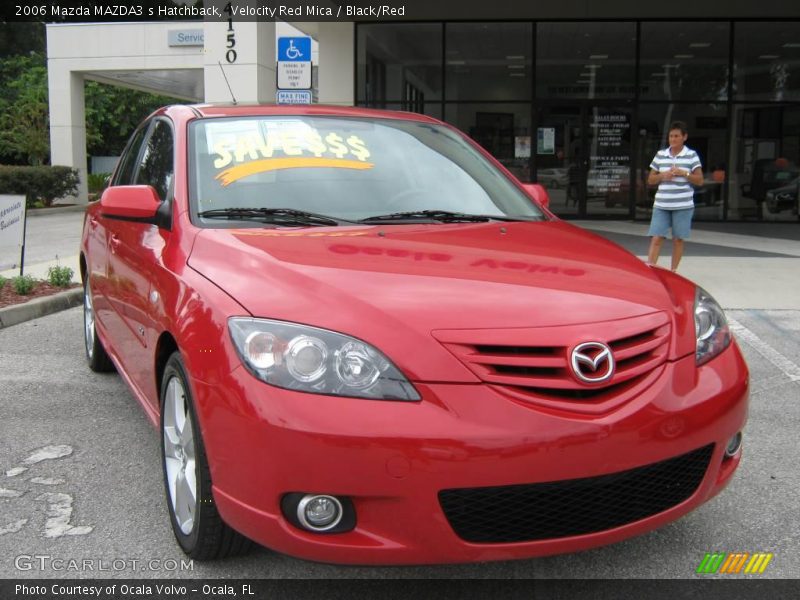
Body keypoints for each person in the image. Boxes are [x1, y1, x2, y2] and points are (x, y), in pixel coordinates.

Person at [646, 121, 703, 272]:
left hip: (683, 205)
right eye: (671, 136)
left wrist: (685, 173)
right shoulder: (660, 155)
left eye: (676, 136)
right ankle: (650, 270)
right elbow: (650, 180)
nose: (673, 139)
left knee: (678, 239)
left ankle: (673, 272)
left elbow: (699, 180)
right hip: (662, 204)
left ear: (684, 137)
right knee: (656, 237)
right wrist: (662, 175)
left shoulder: (691, 155)